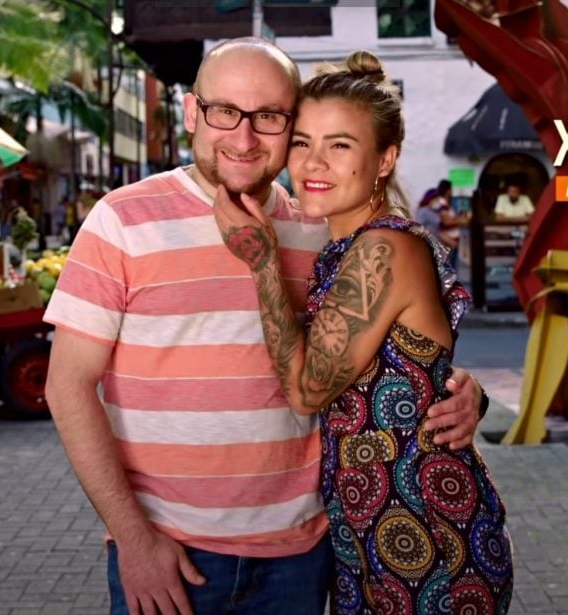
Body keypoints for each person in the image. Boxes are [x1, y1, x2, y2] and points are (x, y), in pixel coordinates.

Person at [43, 37, 486, 615]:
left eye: (270, 117)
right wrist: (133, 539)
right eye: (225, 110)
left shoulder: (321, 221)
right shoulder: (122, 218)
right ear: (191, 111)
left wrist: (453, 390)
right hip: (170, 553)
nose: (245, 136)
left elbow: (385, 346)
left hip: (305, 556)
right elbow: (66, 386)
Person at [213, 49, 513, 614]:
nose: (312, 163)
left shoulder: (383, 248)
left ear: (384, 159)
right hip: (367, 532)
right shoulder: (345, 247)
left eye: (340, 145)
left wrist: (261, 263)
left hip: (427, 532)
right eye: (302, 143)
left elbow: (306, 390)